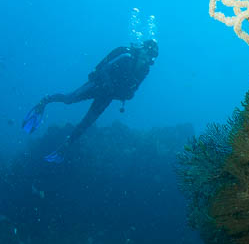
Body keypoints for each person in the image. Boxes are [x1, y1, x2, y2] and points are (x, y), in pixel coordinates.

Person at [22, 40, 159, 162]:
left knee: (87, 122)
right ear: (142, 48)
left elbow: (133, 91)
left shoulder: (144, 70)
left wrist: (124, 95)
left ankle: (66, 146)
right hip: (97, 85)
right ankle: (44, 101)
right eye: (147, 53)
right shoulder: (125, 55)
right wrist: (107, 84)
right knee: (69, 99)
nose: (148, 58)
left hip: (108, 96)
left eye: (151, 57)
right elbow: (102, 68)